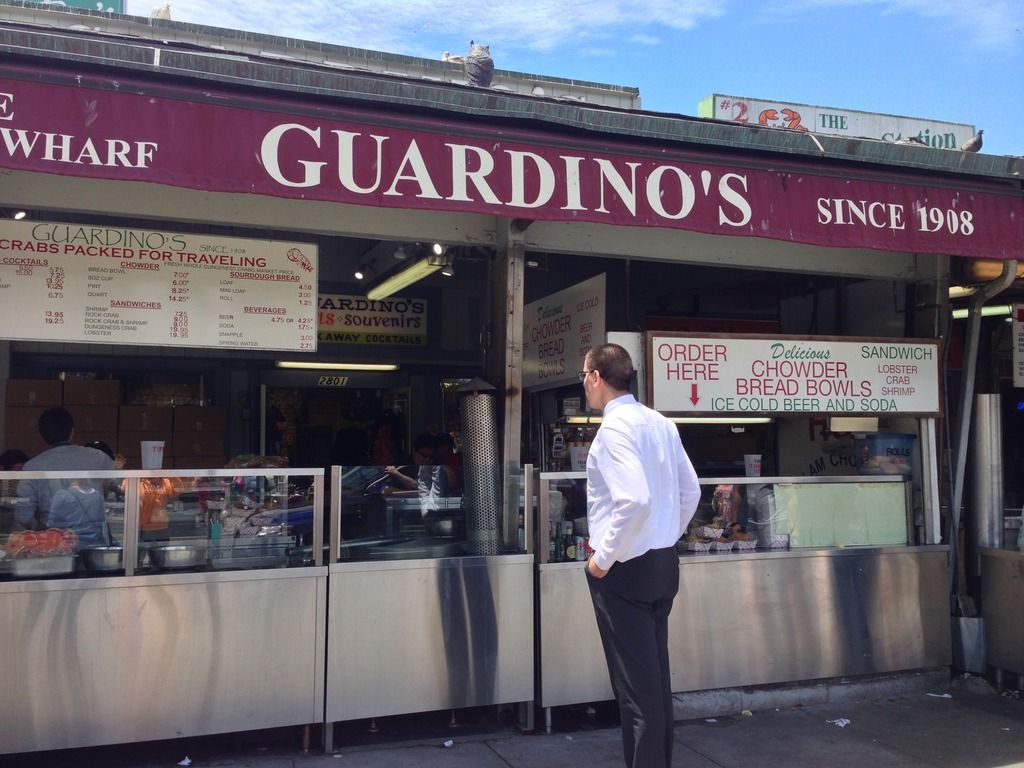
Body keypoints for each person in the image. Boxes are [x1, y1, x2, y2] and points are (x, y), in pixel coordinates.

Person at [580, 343, 701, 768]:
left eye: (584, 376)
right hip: (662, 563)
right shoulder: (660, 422)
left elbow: (634, 500)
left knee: (636, 693)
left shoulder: (614, 429)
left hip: (625, 570)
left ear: (596, 377)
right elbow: (691, 492)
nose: (584, 385)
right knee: (655, 684)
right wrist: (666, 533)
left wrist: (602, 559)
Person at [16, 407, 117, 530]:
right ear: (72, 431)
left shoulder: (32, 467)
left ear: (41, 435)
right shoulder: (98, 457)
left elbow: (24, 517)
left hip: (53, 538)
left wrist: (43, 532)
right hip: (93, 535)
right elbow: (123, 486)